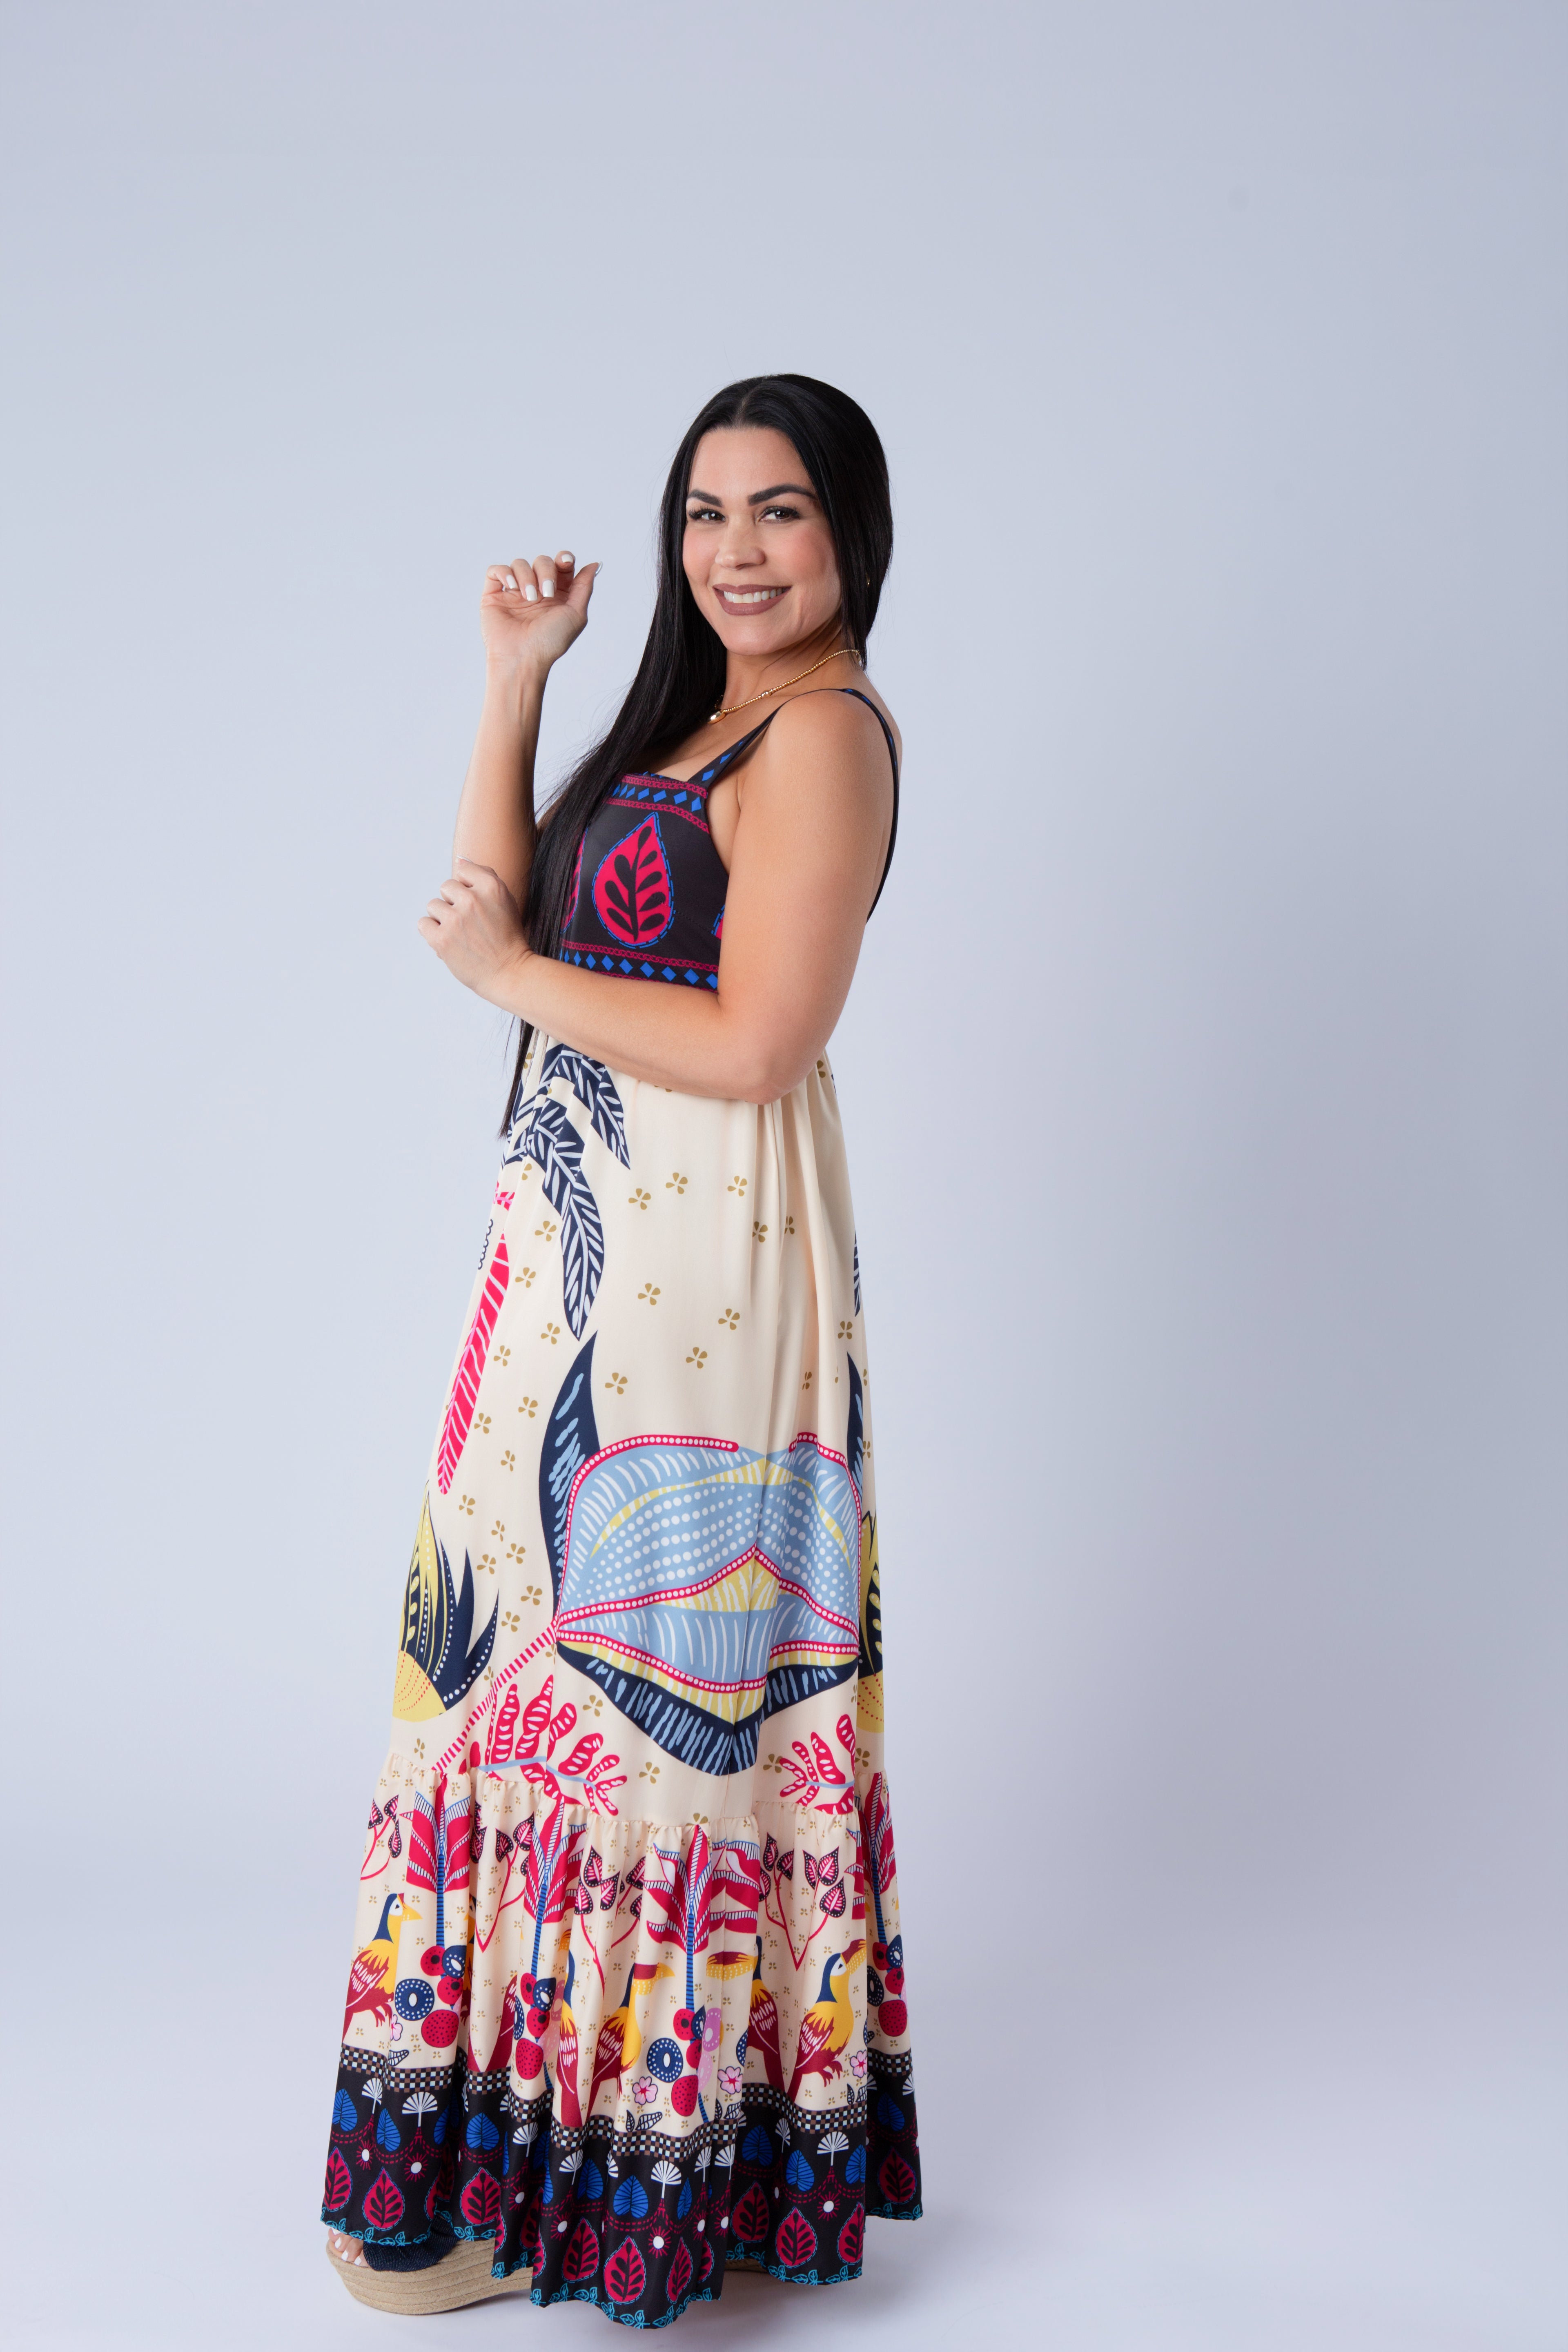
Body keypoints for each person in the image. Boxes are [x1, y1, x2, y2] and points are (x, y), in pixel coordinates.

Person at [322, 374, 922, 2325]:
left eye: (780, 512)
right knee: (501, 1678)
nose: (736, 551)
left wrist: (510, 973)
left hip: (701, 1281)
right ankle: (497, 2174)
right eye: (705, 512)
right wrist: (516, 683)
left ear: (850, 535)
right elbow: (504, 917)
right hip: (569, 1259)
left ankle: (641, 2200)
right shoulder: (695, 718)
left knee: (648, 1703)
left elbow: (760, 1041)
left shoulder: (824, 735)